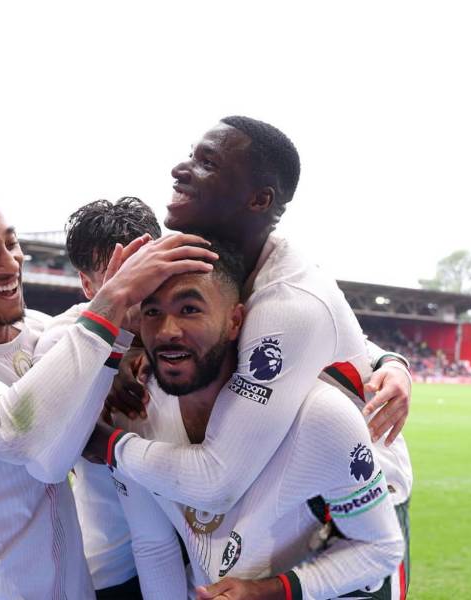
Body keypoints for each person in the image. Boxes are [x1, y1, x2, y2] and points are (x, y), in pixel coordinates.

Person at [88, 116, 414, 598]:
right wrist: (123, 346)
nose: (180, 169)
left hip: (341, 512)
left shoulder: (287, 300)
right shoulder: (233, 267)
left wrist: (109, 445)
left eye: (207, 162)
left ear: (260, 199)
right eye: (153, 310)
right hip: (259, 491)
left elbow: (218, 478)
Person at [0, 186, 216, 598]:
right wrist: (114, 301)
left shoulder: (43, 332)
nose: (10, 263)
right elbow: (15, 433)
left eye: (11, 244)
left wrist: (121, 348)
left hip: (72, 586)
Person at [102, 247, 405, 599]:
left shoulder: (322, 417)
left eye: (189, 309)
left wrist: (268, 592)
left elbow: (380, 549)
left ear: (235, 321)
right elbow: (154, 546)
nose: (168, 330)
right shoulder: (134, 409)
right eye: (153, 312)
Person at [34, 197, 162, 599]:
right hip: (114, 565)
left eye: (145, 275)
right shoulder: (64, 341)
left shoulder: (185, 327)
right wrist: (113, 351)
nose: (138, 296)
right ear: (88, 286)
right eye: (120, 282)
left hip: (194, 558)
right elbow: (56, 451)